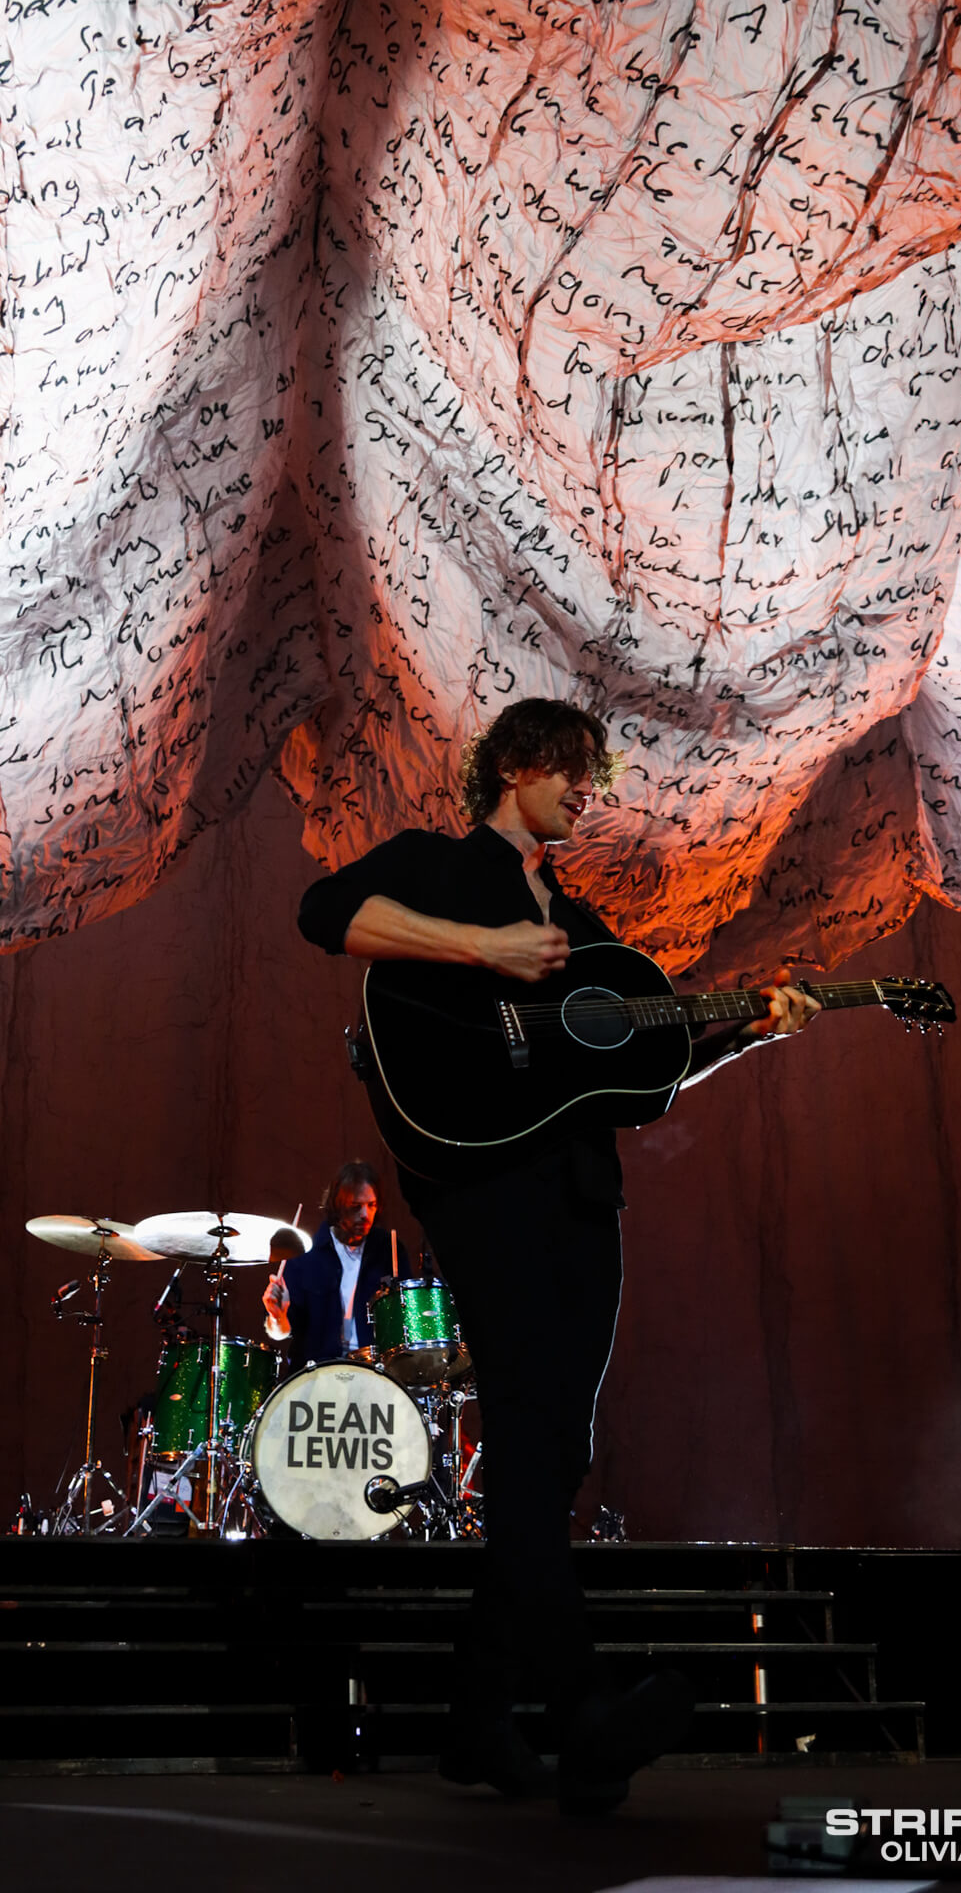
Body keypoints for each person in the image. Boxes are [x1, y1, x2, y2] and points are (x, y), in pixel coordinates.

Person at [297, 696, 820, 1811]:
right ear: (519, 765)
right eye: (575, 772)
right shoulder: (439, 867)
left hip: (582, 1196)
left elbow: (642, 1077)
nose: (590, 793)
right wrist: (479, 943)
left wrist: (747, 1030)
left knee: (549, 1456)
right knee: (535, 1440)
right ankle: (581, 1701)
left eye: (595, 776)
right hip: (483, 1180)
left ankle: (476, 1722)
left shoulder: (583, 927)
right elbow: (326, 910)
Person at [262, 1164, 405, 1372]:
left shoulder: (389, 1250)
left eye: (371, 1205)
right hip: (318, 1374)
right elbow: (281, 1333)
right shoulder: (305, 1253)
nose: (366, 1214)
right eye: (356, 1206)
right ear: (337, 1206)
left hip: (376, 1374)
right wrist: (277, 1316)